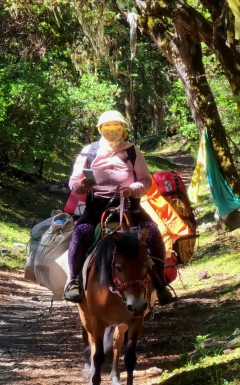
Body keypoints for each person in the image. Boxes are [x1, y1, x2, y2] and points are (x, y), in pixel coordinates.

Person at [63, 110, 175, 305]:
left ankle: (159, 281)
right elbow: (73, 181)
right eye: (107, 127)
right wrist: (81, 186)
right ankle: (74, 281)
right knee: (80, 234)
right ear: (100, 129)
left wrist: (132, 190)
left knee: (153, 233)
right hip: (97, 207)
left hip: (130, 207)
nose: (112, 131)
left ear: (123, 129)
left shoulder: (132, 151)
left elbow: (146, 181)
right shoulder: (89, 151)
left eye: (117, 126)